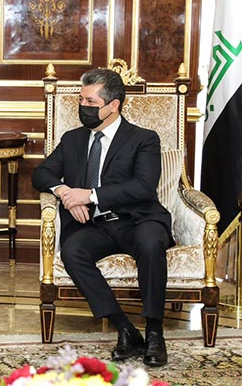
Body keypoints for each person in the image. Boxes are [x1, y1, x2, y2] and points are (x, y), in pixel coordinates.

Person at [32, 68, 173, 367]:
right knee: (72, 251)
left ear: (113, 105)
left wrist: (90, 195)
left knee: (150, 245)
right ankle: (125, 329)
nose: (83, 107)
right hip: (96, 225)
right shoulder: (73, 139)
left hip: (139, 220)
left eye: (91, 102)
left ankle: (154, 332)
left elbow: (144, 187)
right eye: (81, 100)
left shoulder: (143, 139)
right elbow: (41, 173)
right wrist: (65, 193)